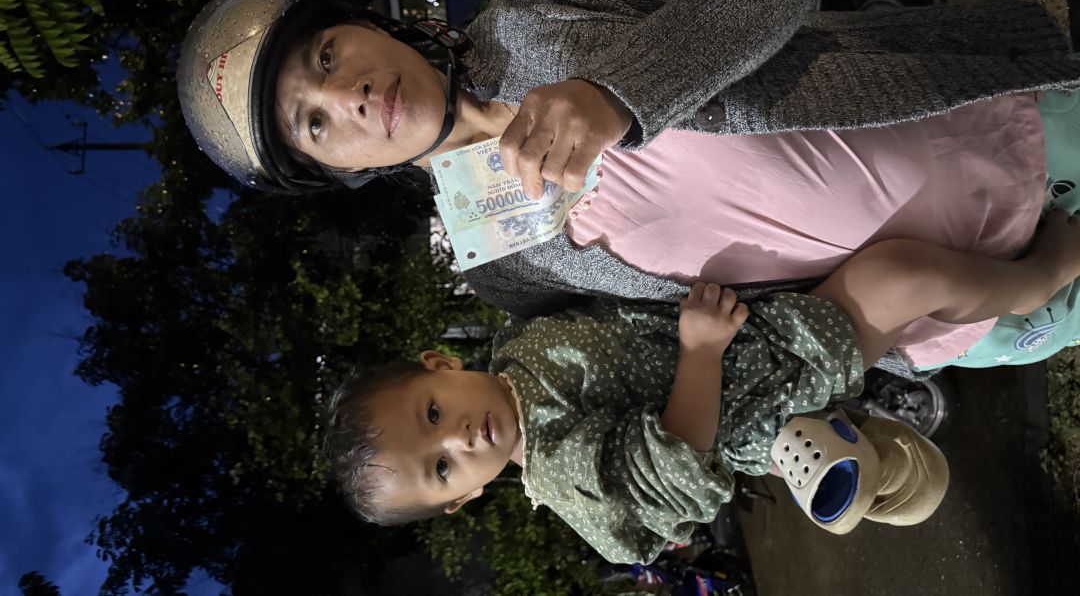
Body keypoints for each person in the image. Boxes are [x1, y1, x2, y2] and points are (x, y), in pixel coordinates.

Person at [177, 0, 1080, 372]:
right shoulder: (503, 270)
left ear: (363, 24)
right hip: (959, 308)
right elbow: (656, 356)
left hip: (1002, 128)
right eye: (313, 123)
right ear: (335, 170)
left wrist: (621, 91)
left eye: (327, 55)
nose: (347, 95)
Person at [324, 210, 1080, 563]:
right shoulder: (555, 467)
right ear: (461, 498)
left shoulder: (517, 350)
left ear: (440, 366)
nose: (459, 439)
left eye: (432, 414)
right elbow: (677, 458)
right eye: (442, 467)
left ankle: (874, 458)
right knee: (900, 277)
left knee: (898, 274)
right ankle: (1044, 275)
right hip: (754, 385)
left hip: (739, 331)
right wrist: (701, 351)